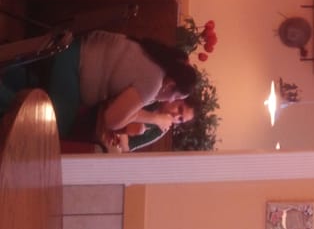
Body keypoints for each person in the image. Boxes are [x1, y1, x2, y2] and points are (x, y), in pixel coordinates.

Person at [0, 29, 198, 141]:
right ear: (170, 84)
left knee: (41, 97)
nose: (171, 101)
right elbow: (112, 119)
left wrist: (136, 115)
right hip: (73, 66)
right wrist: (153, 118)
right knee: (51, 132)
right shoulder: (153, 82)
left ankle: (9, 74)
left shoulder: (155, 59)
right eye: (176, 98)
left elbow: (118, 111)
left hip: (71, 48)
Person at [102, 96, 197, 153]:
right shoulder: (155, 97)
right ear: (177, 98)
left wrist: (122, 132)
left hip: (111, 139)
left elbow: (127, 148)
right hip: (106, 111)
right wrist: (156, 119)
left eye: (180, 119)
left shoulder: (161, 130)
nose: (176, 116)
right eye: (179, 109)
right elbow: (122, 107)